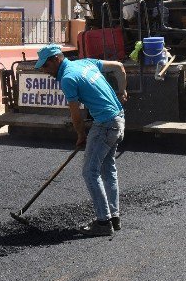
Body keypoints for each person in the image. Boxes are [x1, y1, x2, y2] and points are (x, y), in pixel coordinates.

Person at [35, 44, 128, 237]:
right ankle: (114, 217)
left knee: (90, 172)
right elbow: (119, 66)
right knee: (107, 168)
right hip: (119, 119)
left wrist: (81, 135)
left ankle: (103, 222)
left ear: (56, 59)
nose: (45, 71)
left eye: (45, 66)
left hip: (105, 125)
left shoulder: (68, 78)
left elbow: (75, 115)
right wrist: (123, 91)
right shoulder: (85, 63)